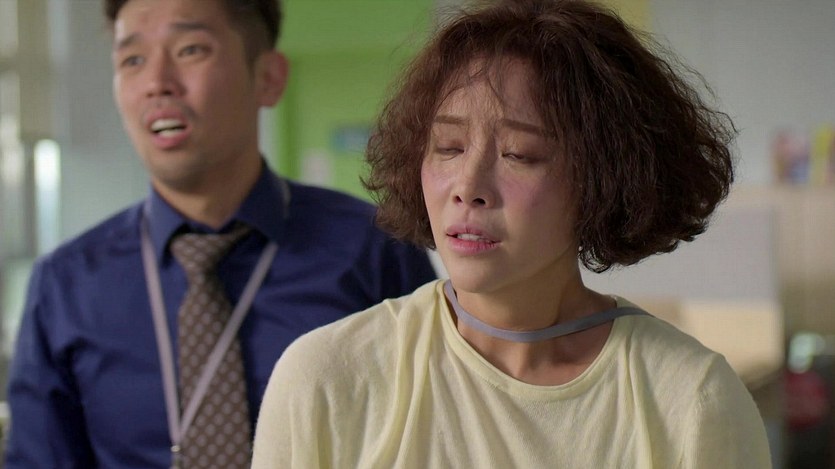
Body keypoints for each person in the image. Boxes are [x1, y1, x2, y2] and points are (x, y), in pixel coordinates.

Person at [251, 0, 773, 467]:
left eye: (519, 154)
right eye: (449, 147)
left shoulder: (690, 401)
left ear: (605, 179)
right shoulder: (327, 378)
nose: (468, 187)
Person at [4, 0, 437, 467]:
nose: (157, 82)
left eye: (190, 49)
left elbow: (433, 436)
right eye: (132, 59)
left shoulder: (373, 248)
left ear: (268, 78)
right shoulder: (66, 285)